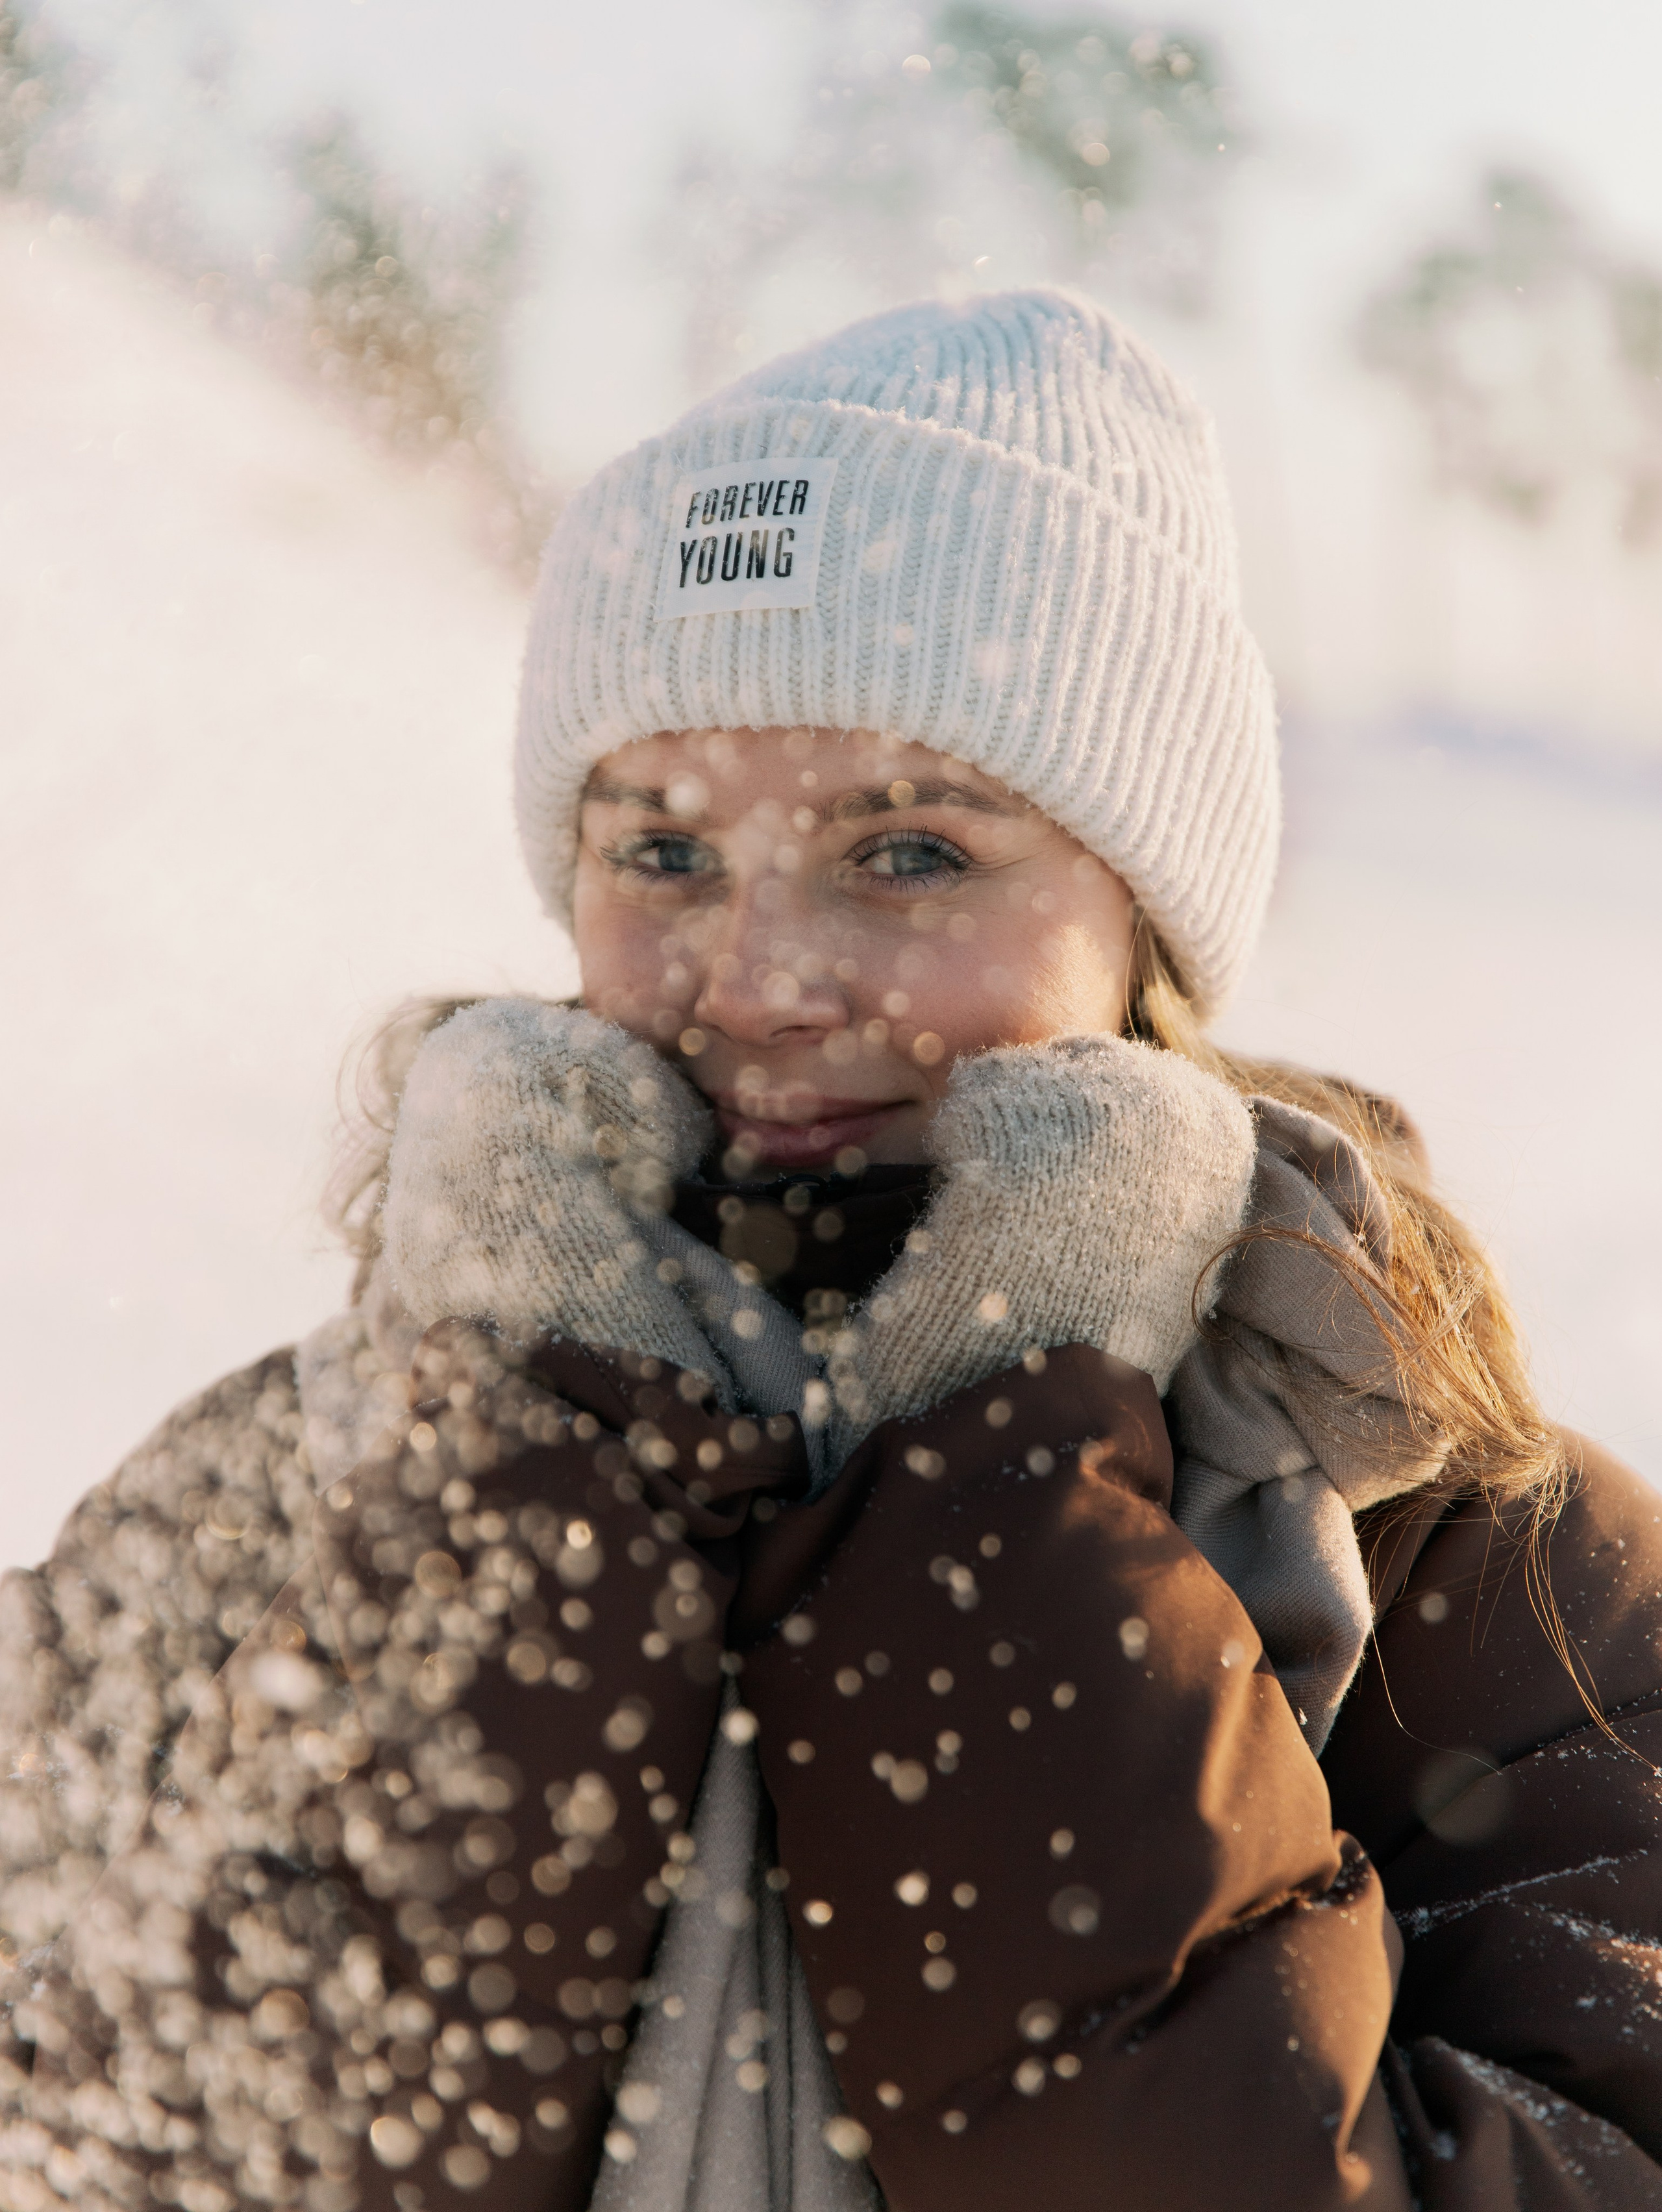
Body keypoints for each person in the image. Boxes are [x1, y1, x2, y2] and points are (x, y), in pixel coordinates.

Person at [6, 290, 1662, 2212]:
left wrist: (1008, 1506)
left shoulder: (1492, 1573)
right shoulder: (288, 1494)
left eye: (910, 853)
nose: (768, 984)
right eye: (666, 855)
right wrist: (512, 1512)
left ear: (1143, 919)